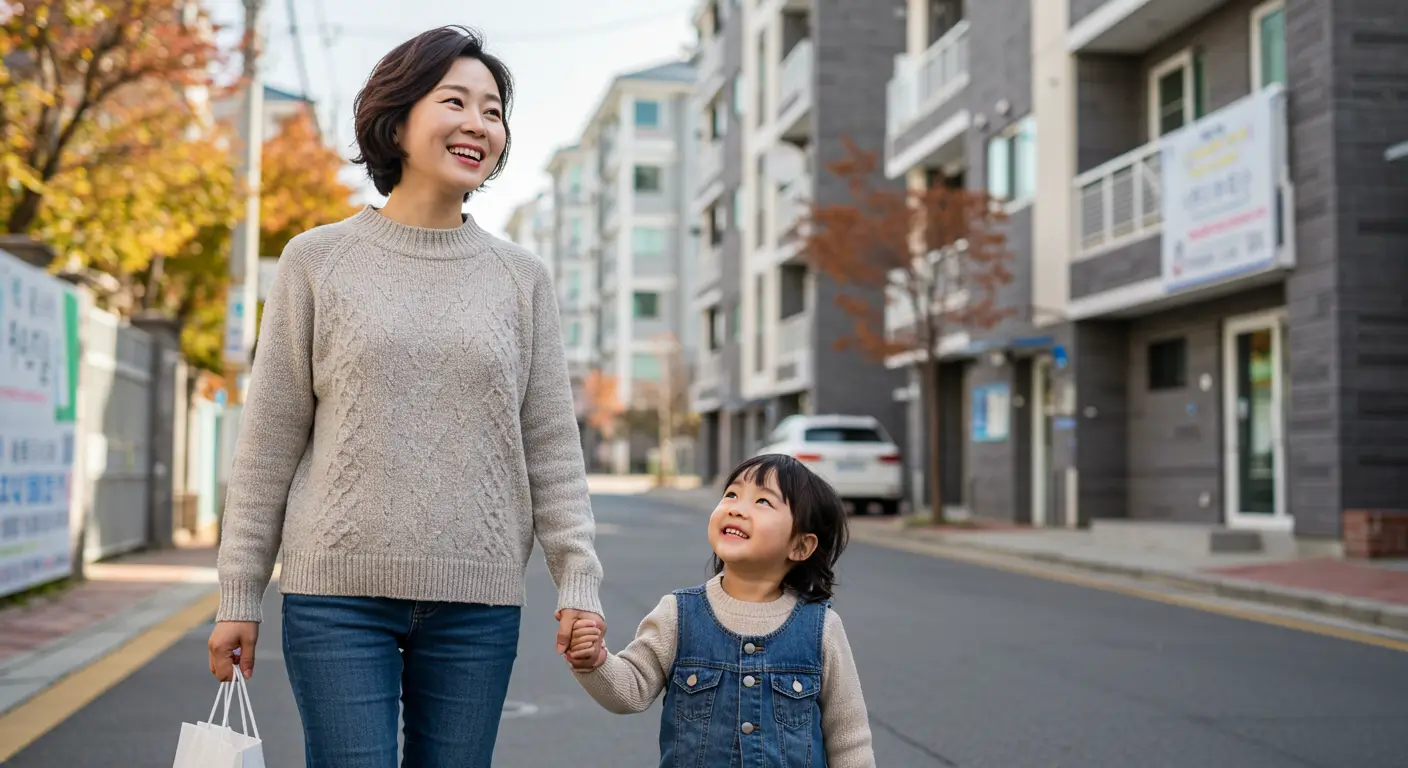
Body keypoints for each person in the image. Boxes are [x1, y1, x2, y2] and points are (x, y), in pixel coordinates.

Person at [205, 25, 605, 767]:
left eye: (493, 111)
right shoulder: (317, 260)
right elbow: (268, 442)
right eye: (455, 101)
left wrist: (577, 578)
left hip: (478, 603)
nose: (478, 124)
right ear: (398, 118)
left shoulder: (521, 278)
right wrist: (240, 596)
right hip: (336, 598)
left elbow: (552, 445)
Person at [565, 454, 876, 767]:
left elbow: (849, 737)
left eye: (763, 502)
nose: (737, 508)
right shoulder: (678, 614)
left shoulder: (821, 627)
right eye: (732, 494)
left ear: (800, 546)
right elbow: (631, 690)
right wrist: (594, 662)